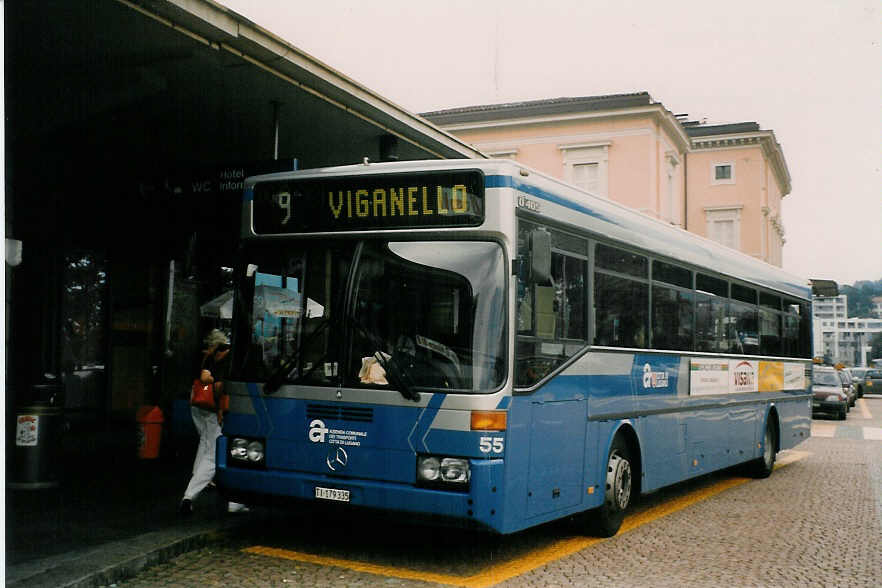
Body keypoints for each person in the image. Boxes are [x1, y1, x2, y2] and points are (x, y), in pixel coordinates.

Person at [179, 328, 247, 515]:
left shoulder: (210, 357)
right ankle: (233, 501)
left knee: (211, 448)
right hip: (224, 411)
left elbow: (204, 378)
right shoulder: (230, 358)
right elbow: (217, 385)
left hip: (205, 408)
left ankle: (191, 495)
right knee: (225, 453)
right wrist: (219, 409)